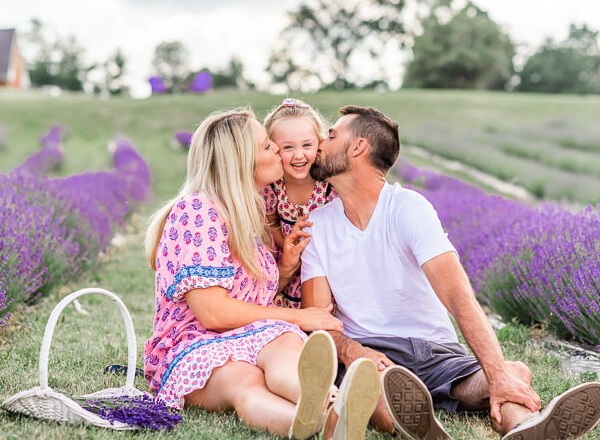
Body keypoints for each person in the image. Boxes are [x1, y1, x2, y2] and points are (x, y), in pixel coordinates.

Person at [300, 105, 600, 440]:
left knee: (513, 372)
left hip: (431, 350)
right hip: (369, 353)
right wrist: (351, 350)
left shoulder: (409, 209)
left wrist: (497, 374)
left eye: (331, 135)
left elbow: (458, 297)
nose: (320, 145)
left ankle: (524, 428)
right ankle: (421, 425)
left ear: (358, 147)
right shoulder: (317, 226)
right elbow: (318, 319)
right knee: (369, 388)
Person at [143, 107, 380, 439]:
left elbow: (249, 297)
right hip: (194, 344)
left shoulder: (252, 213)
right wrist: (301, 317)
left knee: (283, 344)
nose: (279, 154)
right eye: (269, 146)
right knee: (245, 381)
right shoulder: (198, 211)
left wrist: (284, 268)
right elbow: (212, 312)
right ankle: (322, 424)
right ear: (242, 161)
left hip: (252, 334)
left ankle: (330, 406)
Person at [261, 98, 338, 309]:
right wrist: (287, 245)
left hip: (328, 274)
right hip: (289, 272)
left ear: (320, 144)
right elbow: (271, 221)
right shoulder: (272, 187)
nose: (299, 155)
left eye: (307, 145)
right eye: (287, 147)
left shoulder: (331, 186)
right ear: (273, 149)